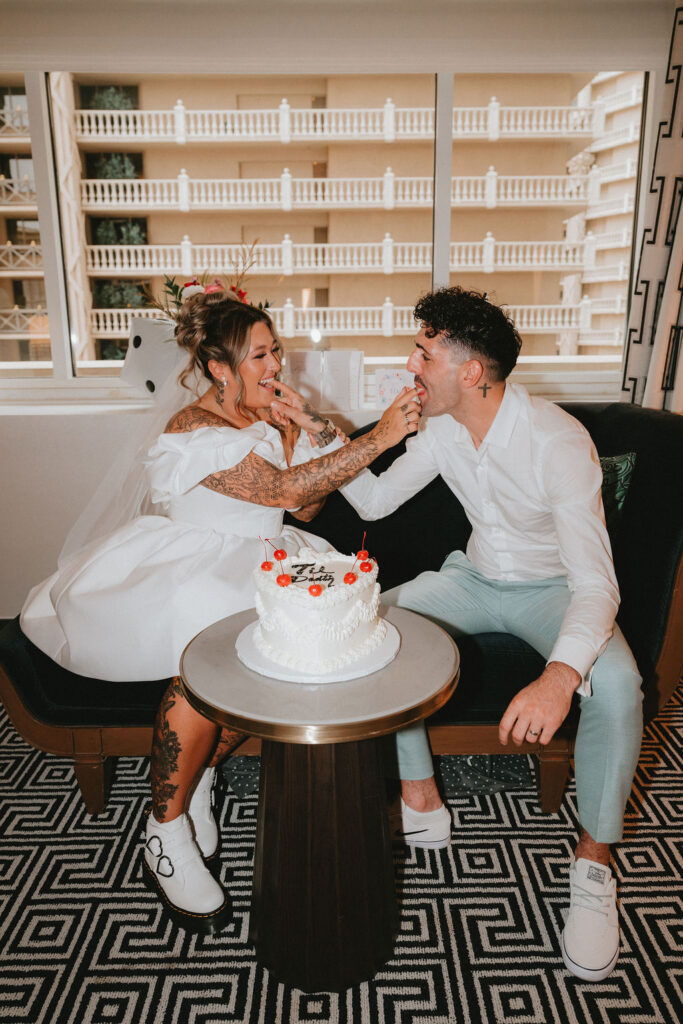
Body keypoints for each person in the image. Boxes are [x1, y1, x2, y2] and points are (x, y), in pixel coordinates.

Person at [20, 289, 421, 933]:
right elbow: (285, 489)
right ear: (219, 368)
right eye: (259, 355)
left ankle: (200, 774)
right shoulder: (193, 431)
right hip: (195, 566)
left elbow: (305, 509)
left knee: (274, 669)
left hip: (263, 558)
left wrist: (300, 427)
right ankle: (162, 831)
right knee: (204, 673)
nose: (275, 365)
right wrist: (380, 437)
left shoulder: (266, 417)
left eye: (275, 350)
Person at [277, 286, 643, 983]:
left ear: (471, 371)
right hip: (471, 578)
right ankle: (420, 793)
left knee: (620, 684)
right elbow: (375, 501)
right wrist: (320, 431)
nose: (410, 365)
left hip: (555, 591)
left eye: (424, 353)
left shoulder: (558, 442)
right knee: (371, 626)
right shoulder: (442, 428)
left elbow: (597, 585)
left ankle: (594, 865)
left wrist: (559, 676)